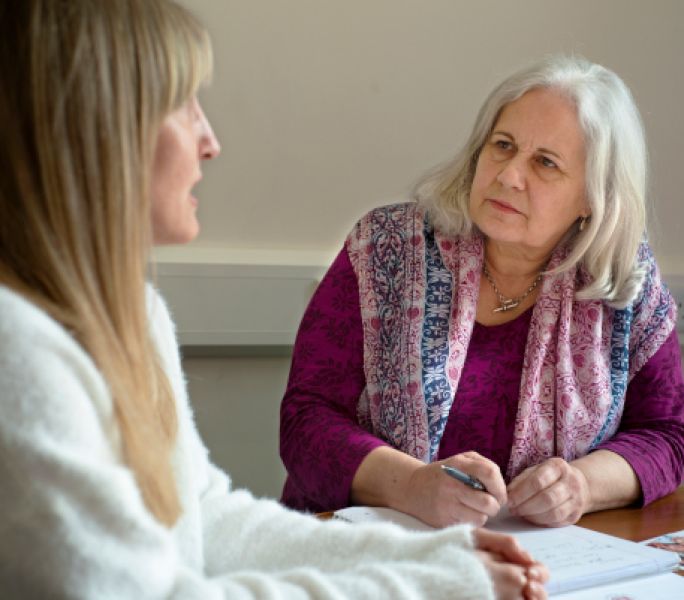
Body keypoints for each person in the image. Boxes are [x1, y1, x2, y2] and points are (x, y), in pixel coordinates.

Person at [0, 1, 550, 598]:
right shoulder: (17, 349)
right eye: (182, 105)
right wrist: (433, 585)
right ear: (93, 130)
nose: (210, 140)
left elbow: (206, 519)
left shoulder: (133, 312)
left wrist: (434, 554)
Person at [280, 55, 684, 529]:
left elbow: (666, 434)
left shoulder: (622, 275)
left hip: (547, 562)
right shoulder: (383, 247)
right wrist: (411, 486)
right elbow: (305, 422)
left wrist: (581, 486)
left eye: (545, 163)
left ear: (593, 199)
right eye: (503, 145)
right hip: (368, 552)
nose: (510, 175)